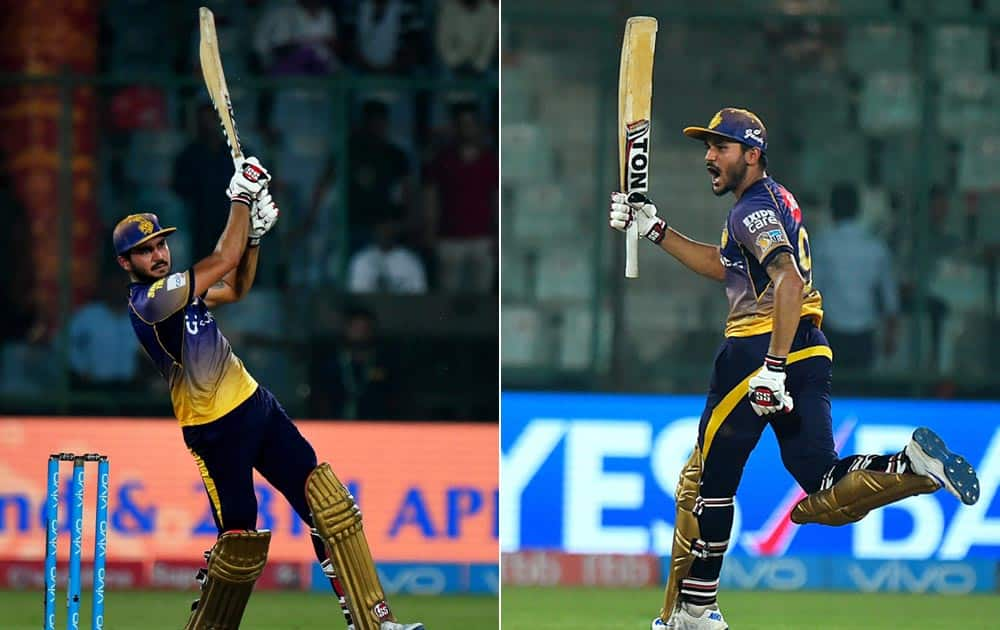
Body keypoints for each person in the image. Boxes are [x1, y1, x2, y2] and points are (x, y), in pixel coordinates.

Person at [607, 108, 981, 630]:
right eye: (707, 148)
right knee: (821, 485)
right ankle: (909, 468)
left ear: (752, 155)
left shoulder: (749, 211)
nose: (709, 158)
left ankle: (695, 611)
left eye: (721, 148)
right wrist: (656, 230)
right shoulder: (776, 200)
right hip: (812, 349)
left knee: (707, 484)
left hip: (757, 351)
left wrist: (771, 369)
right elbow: (727, 267)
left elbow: (787, 281)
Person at [113, 156, 422, 630]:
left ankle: (374, 623)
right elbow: (223, 261)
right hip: (214, 431)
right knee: (239, 544)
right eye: (145, 251)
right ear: (126, 263)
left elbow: (234, 285)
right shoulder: (150, 302)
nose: (158, 254)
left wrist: (253, 234)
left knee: (327, 506)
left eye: (160, 244)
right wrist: (240, 197)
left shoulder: (181, 289)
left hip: (256, 406)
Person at [810, 182, 899, 370]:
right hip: (865, 331)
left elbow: (814, 291)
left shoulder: (823, 244)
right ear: (858, 210)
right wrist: (890, 336)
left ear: (832, 210)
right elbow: (889, 297)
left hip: (831, 330)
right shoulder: (875, 246)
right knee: (863, 389)